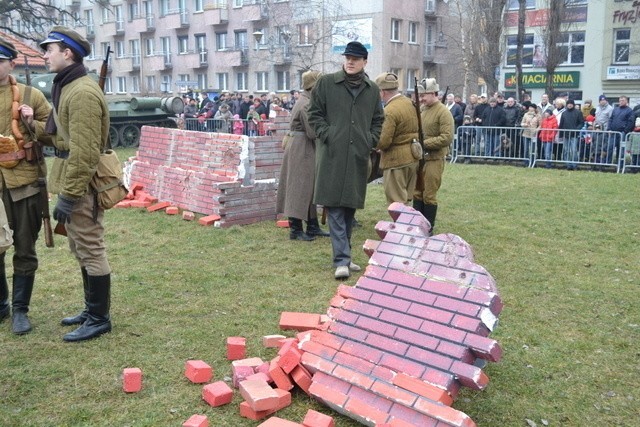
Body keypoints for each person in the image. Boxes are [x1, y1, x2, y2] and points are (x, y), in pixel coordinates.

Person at [40, 26, 113, 342]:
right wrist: (32, 124)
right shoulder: (67, 86)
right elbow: (63, 137)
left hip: (82, 184)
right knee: (79, 246)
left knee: (90, 246)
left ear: (67, 52)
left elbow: (84, 152)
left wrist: (68, 196)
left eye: (49, 49)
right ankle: (90, 310)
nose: (45, 56)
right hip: (74, 181)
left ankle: (99, 318)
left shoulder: (81, 92)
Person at [307, 41, 384, 280]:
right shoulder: (327, 83)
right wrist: (328, 134)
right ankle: (342, 260)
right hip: (332, 154)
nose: (350, 61)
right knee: (335, 207)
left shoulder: (371, 89)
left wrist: (369, 140)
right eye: (347, 57)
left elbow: (378, 120)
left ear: (364, 62)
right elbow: (314, 114)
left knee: (349, 207)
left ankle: (345, 255)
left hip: (357, 155)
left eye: (355, 58)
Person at [0, 37, 52, 335]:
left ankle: (20, 309)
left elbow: (54, 134)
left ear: (11, 63)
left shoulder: (32, 95)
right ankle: (1, 305)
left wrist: (32, 123)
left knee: (24, 247)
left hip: (25, 184)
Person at [276, 70, 329, 241]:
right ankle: (296, 229)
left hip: (303, 146)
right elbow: (313, 132)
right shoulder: (306, 104)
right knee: (298, 188)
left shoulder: (307, 101)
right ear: (313, 87)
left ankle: (312, 226)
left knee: (309, 187)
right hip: (301, 147)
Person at [412, 78, 454, 236]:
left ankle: (428, 228)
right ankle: (417, 227)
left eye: (424, 95)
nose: (421, 98)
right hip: (420, 158)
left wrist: (424, 143)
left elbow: (446, 137)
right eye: (420, 95)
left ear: (434, 93)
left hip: (434, 159)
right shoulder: (422, 109)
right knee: (417, 193)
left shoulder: (443, 112)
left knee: (429, 194)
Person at [374, 72, 419, 206]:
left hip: (396, 161)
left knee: (396, 203)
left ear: (382, 92)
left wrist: (373, 143)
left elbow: (384, 141)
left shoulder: (390, 110)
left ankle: (400, 227)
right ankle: (405, 225)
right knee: (404, 201)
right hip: (412, 156)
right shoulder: (409, 103)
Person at [608, 96, 636, 166]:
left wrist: (625, 131)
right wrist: (609, 129)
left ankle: (620, 165)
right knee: (609, 148)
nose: (621, 102)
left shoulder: (629, 111)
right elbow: (611, 119)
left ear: (626, 101)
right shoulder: (615, 109)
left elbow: (631, 122)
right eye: (620, 100)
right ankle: (607, 163)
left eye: (623, 100)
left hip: (622, 133)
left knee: (620, 150)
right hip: (613, 132)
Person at [558, 99, 584, 170]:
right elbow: (561, 124)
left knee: (574, 150)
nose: (569, 105)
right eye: (568, 103)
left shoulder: (578, 112)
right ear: (566, 105)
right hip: (566, 135)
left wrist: (576, 129)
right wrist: (560, 135)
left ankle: (574, 165)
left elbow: (581, 123)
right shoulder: (564, 113)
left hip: (574, 135)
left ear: (573, 104)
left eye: (571, 103)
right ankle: (568, 164)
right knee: (566, 150)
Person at [520, 102, 540, 167]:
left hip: (533, 134)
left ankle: (533, 162)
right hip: (525, 134)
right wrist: (525, 124)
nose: (530, 108)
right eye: (530, 107)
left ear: (534, 109)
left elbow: (540, 125)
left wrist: (536, 130)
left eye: (532, 107)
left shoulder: (538, 115)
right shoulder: (526, 114)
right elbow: (522, 123)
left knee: (533, 149)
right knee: (526, 149)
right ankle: (526, 162)